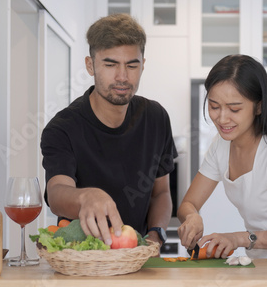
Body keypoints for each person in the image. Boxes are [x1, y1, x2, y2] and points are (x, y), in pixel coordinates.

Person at [40, 13, 177, 247]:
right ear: (90, 65)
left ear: (143, 65)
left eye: (132, 65)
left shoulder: (157, 118)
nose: (122, 77)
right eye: (110, 64)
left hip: (137, 259)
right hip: (83, 259)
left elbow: (160, 193)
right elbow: (56, 194)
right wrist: (86, 197)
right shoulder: (62, 128)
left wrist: (155, 235)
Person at [177, 54, 267, 259]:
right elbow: (188, 203)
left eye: (234, 109)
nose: (222, 118)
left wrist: (238, 238)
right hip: (260, 262)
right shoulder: (220, 146)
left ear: (259, 106)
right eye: (214, 106)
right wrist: (192, 217)